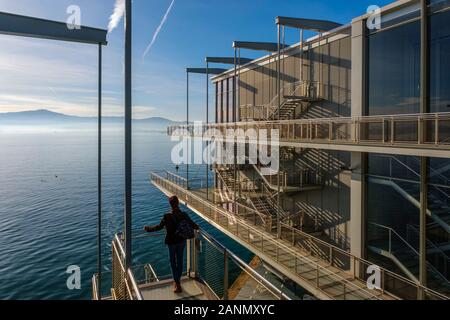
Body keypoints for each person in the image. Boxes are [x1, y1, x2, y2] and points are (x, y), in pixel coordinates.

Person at [144, 196, 199, 293]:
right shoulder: (184, 214)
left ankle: (177, 284)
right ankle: (177, 283)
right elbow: (193, 225)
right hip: (181, 241)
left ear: (170, 204)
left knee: (173, 262)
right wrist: (197, 228)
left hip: (171, 242)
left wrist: (148, 229)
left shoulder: (166, 216)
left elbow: (158, 227)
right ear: (178, 203)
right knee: (180, 261)